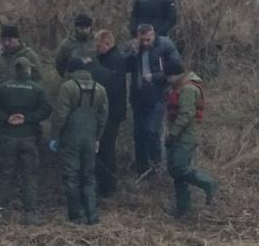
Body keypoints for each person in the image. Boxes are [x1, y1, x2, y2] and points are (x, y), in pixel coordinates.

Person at [0, 56, 52, 220]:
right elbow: (46, 110)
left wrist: (6, 117)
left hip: (8, 137)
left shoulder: (3, 88)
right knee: (29, 175)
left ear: (15, 70)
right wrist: (28, 118)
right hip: (29, 137)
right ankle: (30, 212)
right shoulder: (37, 89)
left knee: (5, 174)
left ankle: (0, 212)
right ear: (28, 69)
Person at [51, 55, 107, 224]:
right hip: (90, 137)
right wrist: (97, 137)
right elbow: (104, 116)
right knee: (89, 175)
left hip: (71, 138)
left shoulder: (67, 87)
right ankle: (92, 214)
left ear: (70, 71)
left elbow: (60, 115)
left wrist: (55, 136)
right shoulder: (100, 88)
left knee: (72, 175)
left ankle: (75, 215)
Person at [129, 22, 181, 176]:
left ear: (153, 35)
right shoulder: (135, 47)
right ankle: (143, 169)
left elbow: (175, 69)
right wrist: (131, 52)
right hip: (138, 95)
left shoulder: (165, 45)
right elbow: (124, 65)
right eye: (142, 40)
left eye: (148, 40)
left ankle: (158, 164)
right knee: (139, 134)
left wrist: (155, 77)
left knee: (151, 131)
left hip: (159, 95)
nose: (145, 43)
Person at [165, 70, 218, 220]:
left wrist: (173, 134)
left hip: (185, 138)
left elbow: (186, 114)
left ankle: (208, 183)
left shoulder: (188, 89)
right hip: (182, 137)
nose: (169, 79)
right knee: (177, 174)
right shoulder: (185, 88)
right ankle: (182, 210)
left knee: (178, 168)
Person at [89, 29, 129, 198]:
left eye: (98, 45)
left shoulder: (115, 61)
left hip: (111, 112)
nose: (96, 48)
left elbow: (113, 90)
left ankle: (108, 186)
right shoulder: (107, 60)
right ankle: (105, 184)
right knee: (104, 149)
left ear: (107, 43)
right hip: (110, 111)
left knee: (106, 149)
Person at [0, 24, 43, 96]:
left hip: (24, 99)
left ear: (17, 39)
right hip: (2, 101)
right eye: (4, 40)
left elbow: (39, 80)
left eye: (9, 40)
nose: (6, 43)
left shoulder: (30, 56)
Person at [54, 12, 97, 77]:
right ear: (76, 28)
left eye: (87, 27)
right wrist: (67, 76)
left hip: (96, 80)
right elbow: (59, 63)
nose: (85, 30)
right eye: (82, 28)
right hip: (74, 80)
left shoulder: (96, 41)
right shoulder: (67, 44)